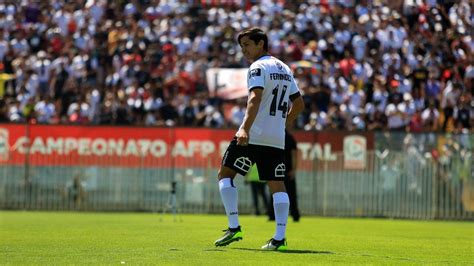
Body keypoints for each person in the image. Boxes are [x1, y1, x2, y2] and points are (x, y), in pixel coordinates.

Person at [214, 27, 304, 251]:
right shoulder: (284, 68)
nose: (243, 50)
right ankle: (279, 238)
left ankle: (234, 227)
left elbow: (255, 98)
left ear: (261, 43)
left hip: (253, 134)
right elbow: (299, 104)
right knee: (277, 185)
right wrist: (283, 124)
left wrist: (244, 128)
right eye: (241, 46)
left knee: (225, 174)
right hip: (275, 137)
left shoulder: (258, 67)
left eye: (247, 45)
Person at [283, 130, 301, 222]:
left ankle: (272, 215)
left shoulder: (276, 136)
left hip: (278, 169)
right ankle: (295, 214)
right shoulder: (290, 138)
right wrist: (293, 170)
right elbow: (294, 155)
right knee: (291, 194)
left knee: (275, 193)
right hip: (288, 169)